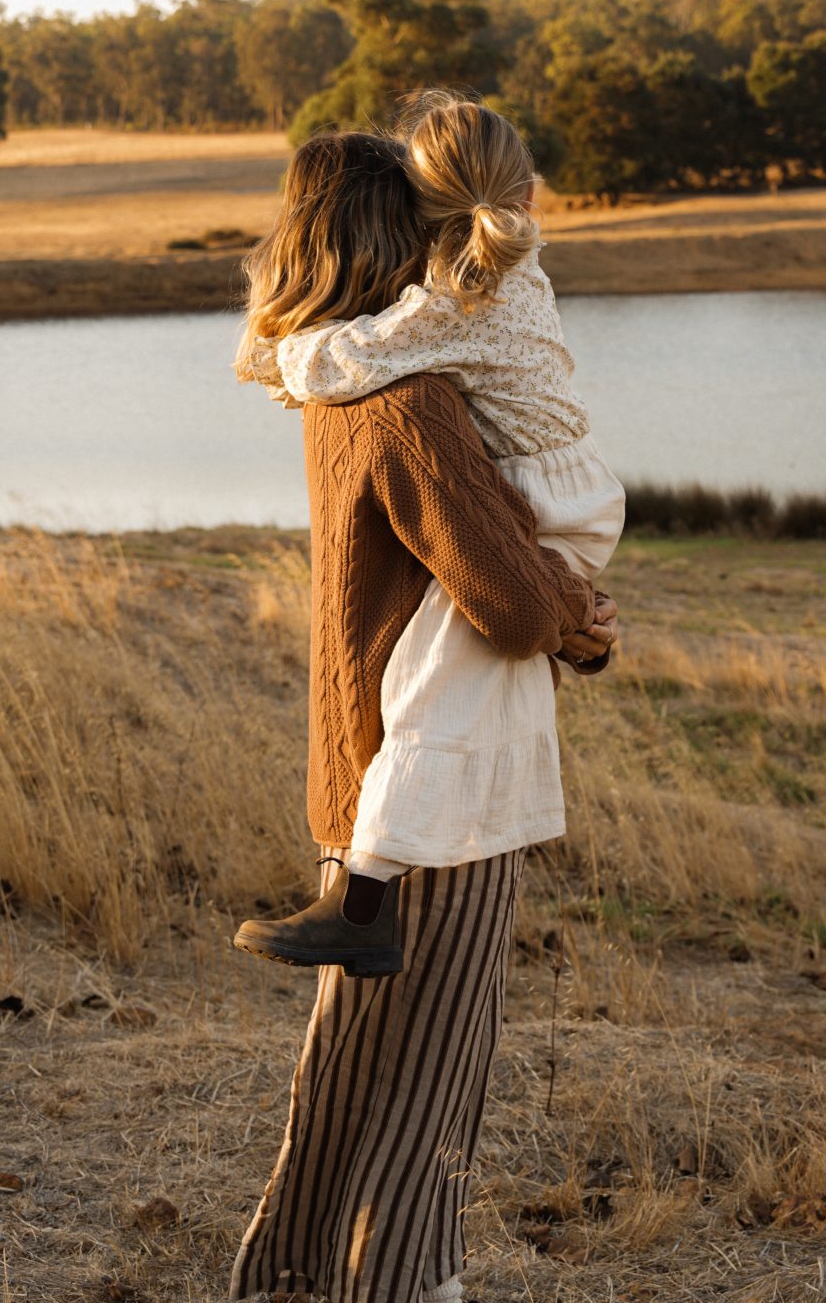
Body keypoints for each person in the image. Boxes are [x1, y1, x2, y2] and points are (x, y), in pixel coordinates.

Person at [228, 129, 617, 1303]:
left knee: (351, 1058)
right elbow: (502, 591)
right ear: (409, 233)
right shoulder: (412, 399)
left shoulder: (330, 373)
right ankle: (401, 1282)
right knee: (433, 1070)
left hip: (368, 769)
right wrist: (580, 616)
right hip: (445, 787)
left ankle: (295, 1273)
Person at [239, 93, 624, 969]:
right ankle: (366, 898)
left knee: (433, 693)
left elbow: (518, 609)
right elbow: (526, 608)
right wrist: (578, 619)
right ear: (523, 193)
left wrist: (278, 347)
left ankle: (365, 901)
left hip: (553, 501)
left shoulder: (419, 355)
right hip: (569, 495)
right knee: (436, 689)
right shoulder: (493, 287)